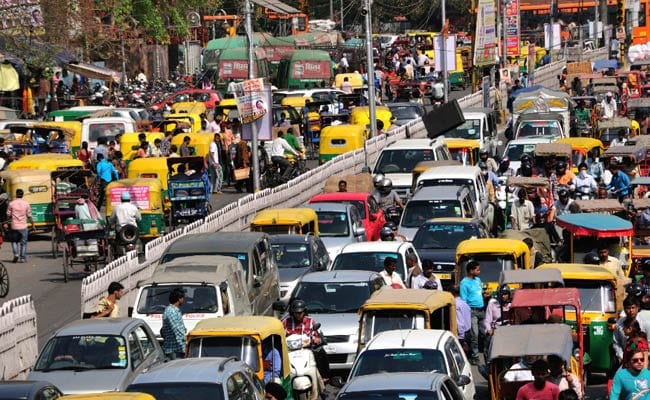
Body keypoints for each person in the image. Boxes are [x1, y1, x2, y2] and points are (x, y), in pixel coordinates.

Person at [282, 299, 330, 382]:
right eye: (296, 313)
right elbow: (281, 334)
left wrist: (317, 339)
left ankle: (323, 378)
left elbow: (315, 333)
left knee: (321, 352)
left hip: (307, 349)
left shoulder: (310, 321)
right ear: (292, 312)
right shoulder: (286, 322)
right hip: (290, 351)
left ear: (304, 312)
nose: (298, 315)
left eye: (300, 313)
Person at [459, 260, 484, 365]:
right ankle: (474, 356)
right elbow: (464, 300)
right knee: (475, 335)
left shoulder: (478, 280)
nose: (479, 271)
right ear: (471, 270)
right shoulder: (464, 283)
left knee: (484, 333)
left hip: (481, 310)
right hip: (472, 311)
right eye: (477, 269)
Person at [614, 296, 650, 364]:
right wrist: (622, 357)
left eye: (633, 307)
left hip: (642, 361)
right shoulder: (619, 324)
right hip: (625, 361)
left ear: (638, 308)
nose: (631, 310)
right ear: (624, 309)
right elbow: (616, 343)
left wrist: (644, 359)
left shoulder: (645, 323)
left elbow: (649, 342)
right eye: (628, 308)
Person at [7, 188, 34, 263]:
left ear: (16, 194)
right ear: (22, 195)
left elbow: (8, 215)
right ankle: (22, 258)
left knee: (14, 241)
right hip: (23, 226)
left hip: (14, 226)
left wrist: (7, 222)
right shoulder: (26, 204)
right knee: (23, 243)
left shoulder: (11, 203)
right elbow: (29, 216)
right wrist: (33, 224)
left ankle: (16, 254)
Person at [484, 285, 512, 354]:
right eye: (501, 294)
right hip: (496, 332)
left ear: (508, 294)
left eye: (505, 294)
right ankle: (489, 362)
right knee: (488, 347)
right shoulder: (492, 305)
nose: (503, 296)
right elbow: (487, 320)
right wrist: (489, 330)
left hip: (510, 332)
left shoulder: (512, 306)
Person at [161, 288, 186, 360]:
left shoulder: (175, 310)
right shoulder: (171, 311)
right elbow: (177, 329)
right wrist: (187, 340)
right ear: (179, 299)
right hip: (174, 350)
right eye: (182, 298)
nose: (183, 300)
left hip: (178, 348)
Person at [451, 286, 472, 353]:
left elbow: (459, 323)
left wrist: (461, 338)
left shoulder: (455, 305)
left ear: (451, 293)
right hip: (467, 332)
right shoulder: (465, 303)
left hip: (461, 335)